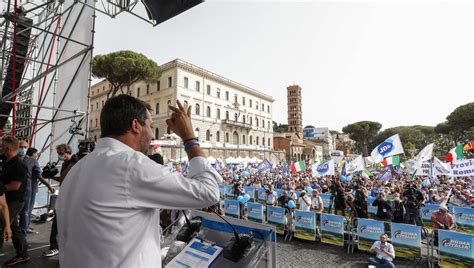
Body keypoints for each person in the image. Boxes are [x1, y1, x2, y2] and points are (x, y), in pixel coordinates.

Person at [56, 96, 222, 267]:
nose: (151, 134)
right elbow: (209, 192)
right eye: (150, 126)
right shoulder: (131, 165)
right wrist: (189, 138)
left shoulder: (77, 169)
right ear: (136, 125)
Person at [0, 136, 30, 265]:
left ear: (7, 148)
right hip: (8, 199)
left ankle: (22, 253)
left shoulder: (18, 164)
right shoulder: (7, 161)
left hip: (14, 201)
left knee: (1, 225)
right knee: (14, 226)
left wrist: (1, 188)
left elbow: (16, 185)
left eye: (2, 147)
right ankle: (23, 253)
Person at [42, 144, 75, 258]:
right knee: (59, 223)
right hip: (66, 196)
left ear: (67, 151)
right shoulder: (67, 163)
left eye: (61, 153)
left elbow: (63, 178)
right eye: (59, 154)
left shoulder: (74, 163)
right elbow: (62, 180)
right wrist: (51, 176)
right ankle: (57, 246)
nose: (60, 156)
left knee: (58, 223)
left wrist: (51, 176)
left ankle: (55, 247)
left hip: (71, 198)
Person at [17, 141, 55, 236]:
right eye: (21, 147)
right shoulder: (30, 160)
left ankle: (24, 229)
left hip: (25, 189)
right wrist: (48, 185)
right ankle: (23, 233)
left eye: (24, 147)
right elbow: (39, 176)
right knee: (26, 211)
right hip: (26, 190)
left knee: (24, 211)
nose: (23, 149)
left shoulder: (22, 160)